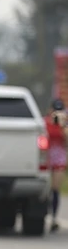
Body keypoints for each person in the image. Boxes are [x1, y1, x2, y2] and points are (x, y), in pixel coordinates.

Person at [46, 99, 67, 232]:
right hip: (46, 158)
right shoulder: (44, 122)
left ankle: (54, 217)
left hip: (59, 159)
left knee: (55, 189)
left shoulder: (64, 124)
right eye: (55, 110)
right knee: (45, 188)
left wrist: (63, 125)